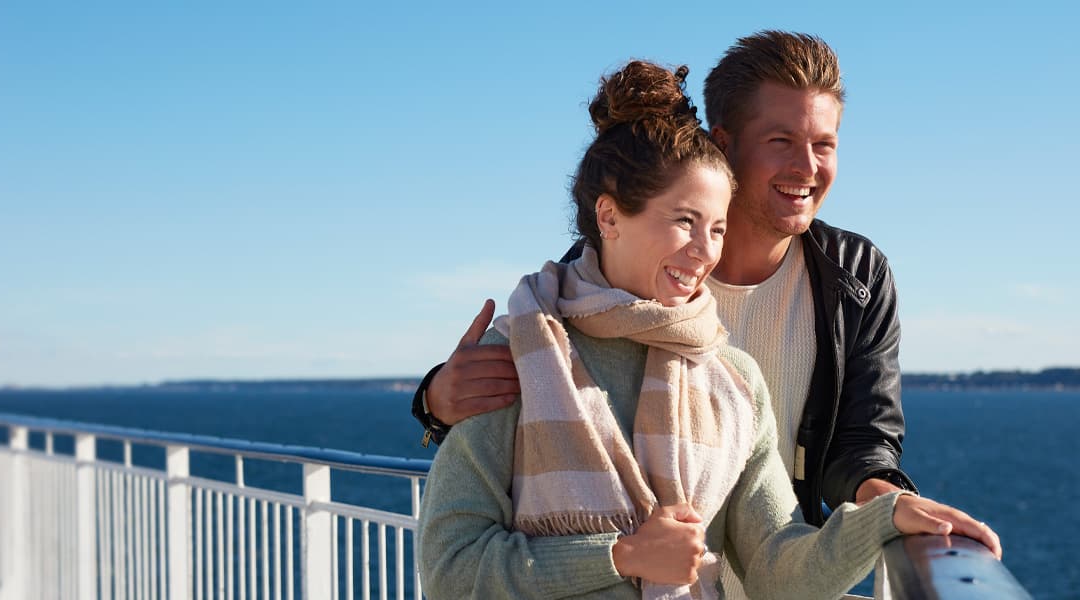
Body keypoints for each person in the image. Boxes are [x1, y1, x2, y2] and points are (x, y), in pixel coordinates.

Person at [416, 60, 998, 600]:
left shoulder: (735, 378)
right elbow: (449, 568)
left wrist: (885, 516)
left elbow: (776, 564)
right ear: (609, 217)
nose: (704, 251)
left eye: (716, 228)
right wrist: (621, 556)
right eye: (684, 221)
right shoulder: (525, 349)